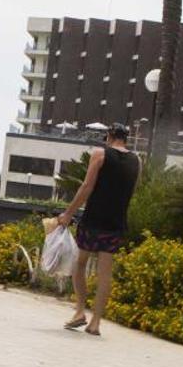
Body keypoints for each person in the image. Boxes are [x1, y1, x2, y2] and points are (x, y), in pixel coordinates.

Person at [57, 123, 140, 336]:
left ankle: (79, 312)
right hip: (116, 222)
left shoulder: (100, 154)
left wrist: (68, 213)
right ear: (126, 139)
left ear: (110, 136)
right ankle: (95, 323)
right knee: (105, 273)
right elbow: (133, 189)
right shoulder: (136, 160)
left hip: (94, 218)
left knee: (79, 263)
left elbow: (86, 186)